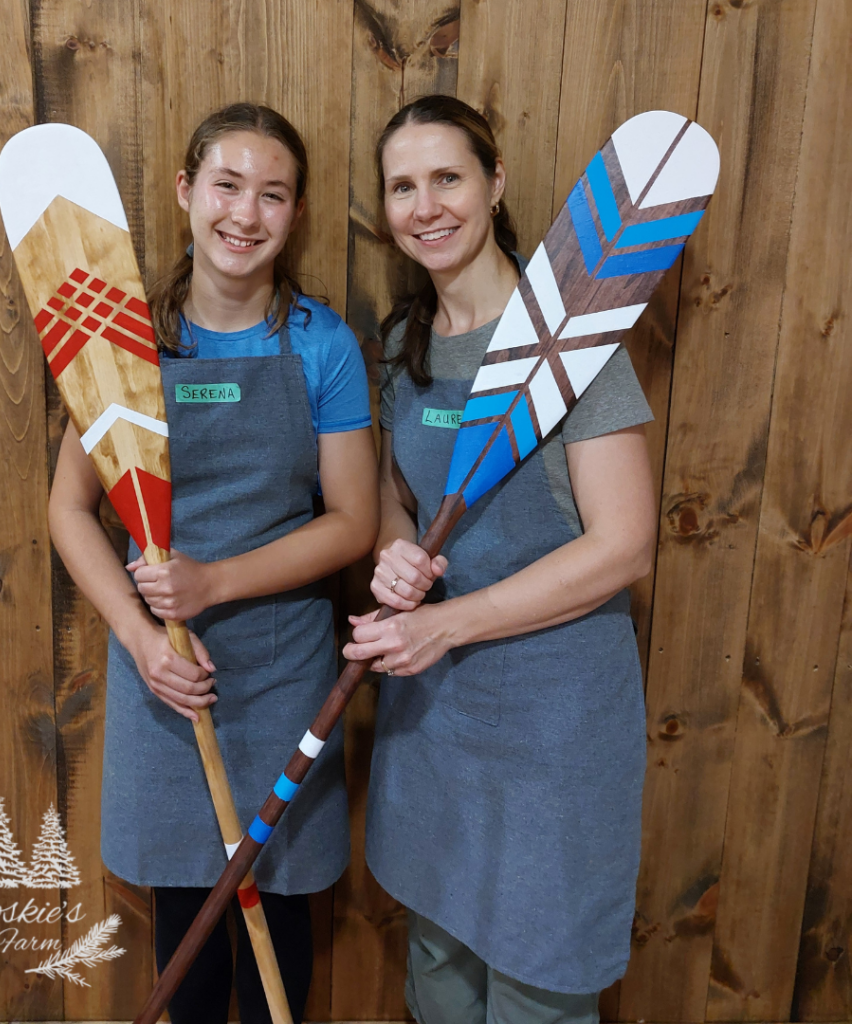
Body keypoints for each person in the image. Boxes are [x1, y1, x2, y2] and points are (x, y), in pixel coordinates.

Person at [48, 102, 379, 1024]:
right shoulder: (121, 341)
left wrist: (216, 581)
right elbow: (69, 509)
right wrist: (139, 636)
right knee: (186, 923)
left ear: (296, 213)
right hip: (165, 678)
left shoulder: (321, 344)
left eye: (273, 194)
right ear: (188, 191)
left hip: (284, 677)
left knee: (281, 919)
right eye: (227, 185)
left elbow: (354, 523)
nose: (245, 213)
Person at [343, 95, 657, 1024]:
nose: (426, 206)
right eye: (404, 186)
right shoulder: (404, 347)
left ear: (495, 183)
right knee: (438, 962)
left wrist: (448, 623)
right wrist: (394, 556)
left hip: (555, 726)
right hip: (436, 716)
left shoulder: (577, 338)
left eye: (448, 177)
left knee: (537, 984)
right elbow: (397, 502)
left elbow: (625, 543)